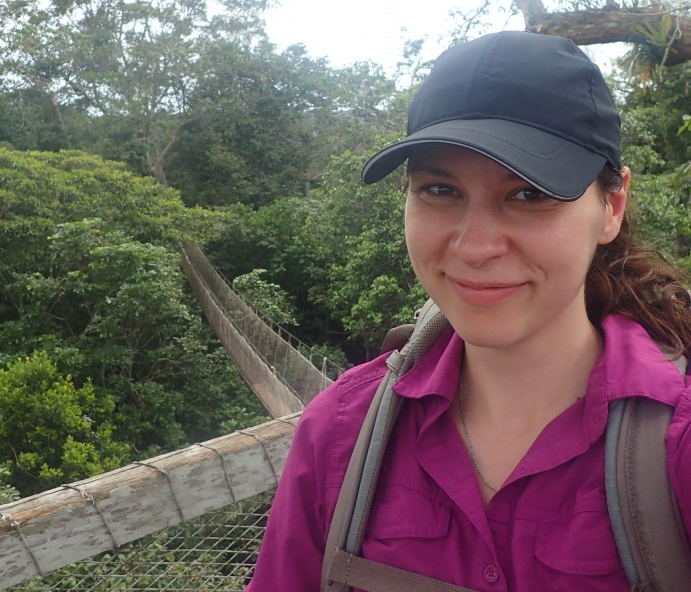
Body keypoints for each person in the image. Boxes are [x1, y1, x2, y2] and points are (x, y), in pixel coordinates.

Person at [245, 31, 691, 591]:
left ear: (612, 208)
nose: (476, 247)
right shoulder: (340, 434)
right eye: (439, 189)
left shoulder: (676, 448)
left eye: (528, 194)